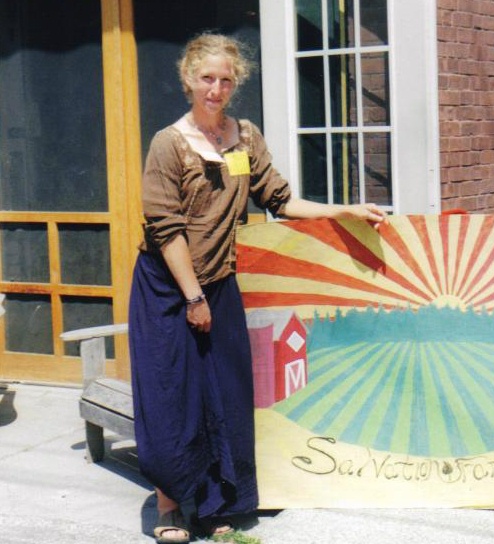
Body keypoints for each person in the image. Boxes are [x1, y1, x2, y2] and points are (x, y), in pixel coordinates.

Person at [129, 33, 385, 544]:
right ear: (188, 79)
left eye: (225, 80)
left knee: (224, 394)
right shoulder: (169, 143)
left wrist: (342, 210)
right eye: (207, 78)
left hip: (219, 282)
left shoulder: (244, 137)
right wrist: (192, 297)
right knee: (172, 397)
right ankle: (171, 507)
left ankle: (218, 504)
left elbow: (280, 198)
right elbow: (166, 227)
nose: (216, 89)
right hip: (167, 288)